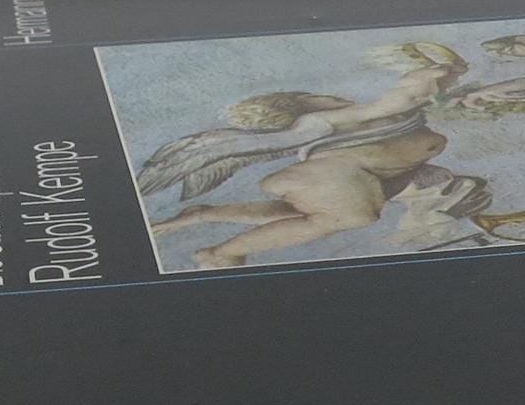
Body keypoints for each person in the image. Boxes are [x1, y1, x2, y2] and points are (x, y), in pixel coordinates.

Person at [137, 43, 484, 268]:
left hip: (358, 175)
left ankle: (204, 214)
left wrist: (446, 74)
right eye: (315, 96)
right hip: (332, 175)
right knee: (351, 218)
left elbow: (423, 98)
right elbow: (390, 103)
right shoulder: (319, 120)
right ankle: (221, 253)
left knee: (306, 216)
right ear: (300, 105)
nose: (330, 96)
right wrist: (416, 82)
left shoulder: (349, 117)